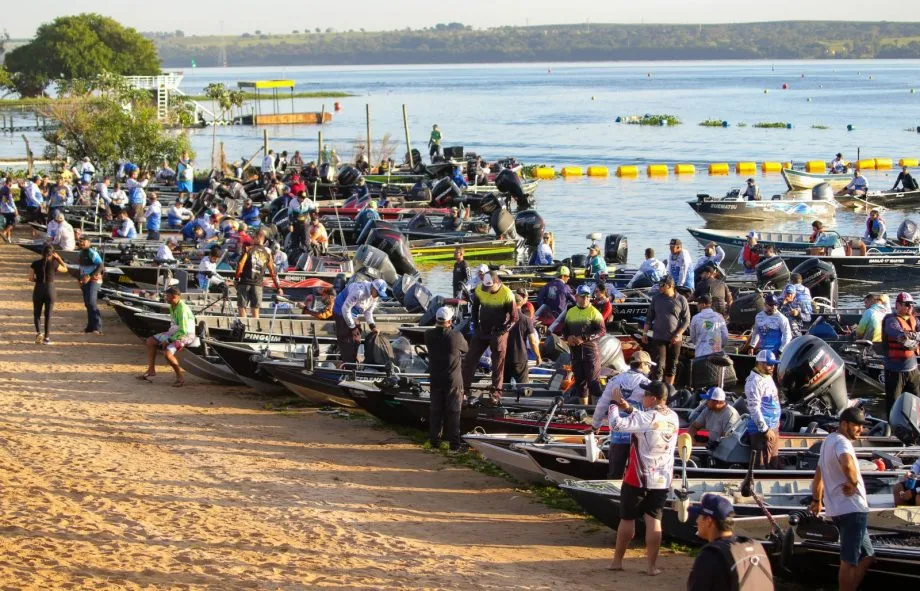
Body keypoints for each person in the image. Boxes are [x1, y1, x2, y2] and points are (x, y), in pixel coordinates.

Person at [607, 380, 680, 576]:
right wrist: (628, 408)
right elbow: (646, 421)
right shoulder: (673, 417)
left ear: (654, 398)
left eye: (645, 395)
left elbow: (615, 425)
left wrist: (613, 404)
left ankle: (617, 561)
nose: (642, 397)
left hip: (637, 477)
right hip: (662, 478)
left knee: (627, 519)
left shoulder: (647, 417)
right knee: (654, 520)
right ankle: (651, 567)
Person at [810, 406, 874, 591]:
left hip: (838, 510)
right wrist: (852, 482)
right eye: (857, 426)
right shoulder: (842, 442)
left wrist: (816, 500)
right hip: (853, 509)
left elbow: (818, 478)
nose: (860, 430)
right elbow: (847, 463)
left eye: (862, 427)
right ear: (844, 424)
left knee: (868, 555)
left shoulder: (827, 441)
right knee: (849, 561)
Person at [687, 493, 774, 591]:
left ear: (708, 521)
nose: (697, 521)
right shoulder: (755, 545)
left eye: (699, 516)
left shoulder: (710, 555)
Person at [592, 350, 654, 478]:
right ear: (642, 364)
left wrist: (595, 425)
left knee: (615, 473)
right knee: (636, 473)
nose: (650, 369)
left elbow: (602, 404)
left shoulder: (615, 380)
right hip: (638, 438)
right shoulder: (648, 385)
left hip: (618, 435)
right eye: (649, 365)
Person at [462, 272, 518, 403]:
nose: (487, 290)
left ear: (497, 283)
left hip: (499, 332)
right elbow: (475, 309)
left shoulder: (507, 294)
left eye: (490, 288)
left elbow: (515, 318)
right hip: (482, 330)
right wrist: (476, 326)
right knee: (470, 359)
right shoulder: (480, 289)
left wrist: (503, 332)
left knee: (497, 364)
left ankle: (495, 394)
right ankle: (464, 389)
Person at [425, 306, 469, 451]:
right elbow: (466, 349)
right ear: (450, 321)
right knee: (454, 412)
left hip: (436, 379)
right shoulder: (456, 336)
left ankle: (434, 443)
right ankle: (454, 446)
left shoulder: (428, 335)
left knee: (436, 411)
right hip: (453, 380)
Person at [138, 287, 195, 387]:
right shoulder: (172, 306)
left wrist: (168, 340)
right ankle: (151, 370)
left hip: (186, 335)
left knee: (167, 353)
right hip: (173, 332)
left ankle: (179, 377)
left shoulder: (182, 310)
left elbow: (183, 331)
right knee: (150, 341)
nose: (165, 298)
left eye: (167, 296)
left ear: (175, 297)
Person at [562, 284, 606, 404]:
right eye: (583, 296)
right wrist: (568, 337)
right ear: (576, 297)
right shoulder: (571, 312)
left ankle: (598, 410)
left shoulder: (594, 312)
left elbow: (602, 331)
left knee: (593, 382)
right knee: (580, 382)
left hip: (590, 351)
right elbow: (565, 329)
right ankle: (584, 410)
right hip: (575, 352)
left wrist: (584, 338)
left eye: (587, 296)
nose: (586, 298)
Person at [644, 275, 690, 385]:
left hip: (675, 339)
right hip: (658, 337)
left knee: (672, 365)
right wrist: (644, 333)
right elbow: (649, 317)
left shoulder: (681, 299)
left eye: (662, 285)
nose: (659, 287)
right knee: (659, 365)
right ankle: (657, 388)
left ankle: (669, 390)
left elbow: (686, 319)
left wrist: (679, 334)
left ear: (670, 286)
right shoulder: (656, 298)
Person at [332, 279, 388, 366]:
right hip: (341, 311)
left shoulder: (374, 297)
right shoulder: (359, 292)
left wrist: (372, 326)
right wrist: (352, 328)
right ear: (373, 288)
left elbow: (368, 312)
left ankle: (352, 360)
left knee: (357, 338)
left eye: (380, 295)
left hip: (353, 314)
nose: (378, 296)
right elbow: (345, 309)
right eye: (377, 293)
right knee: (348, 339)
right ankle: (348, 365)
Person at [881, 292, 920, 414]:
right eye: (907, 304)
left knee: (916, 402)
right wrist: (909, 336)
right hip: (895, 370)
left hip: (912, 369)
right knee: (894, 403)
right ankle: (893, 430)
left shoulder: (914, 320)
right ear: (897, 305)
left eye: (911, 305)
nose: (910, 307)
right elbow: (898, 335)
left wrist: (914, 336)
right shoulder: (891, 320)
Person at [233, 229, 282, 318]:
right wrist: (278, 287)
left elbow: (240, 264)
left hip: (245, 283)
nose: (252, 239)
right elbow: (273, 272)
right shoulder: (268, 254)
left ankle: (244, 328)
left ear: (259, 237)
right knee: (255, 310)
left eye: (254, 237)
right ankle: (254, 329)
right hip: (258, 285)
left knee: (242, 307)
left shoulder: (248, 249)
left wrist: (236, 279)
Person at [746, 350, 782, 469]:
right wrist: (765, 430)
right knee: (763, 464)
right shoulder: (754, 382)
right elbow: (754, 408)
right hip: (762, 430)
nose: (772, 367)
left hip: (773, 426)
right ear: (760, 364)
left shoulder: (767, 376)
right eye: (769, 364)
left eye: (773, 364)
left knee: (774, 462)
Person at [29, 244, 67, 344]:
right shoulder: (55, 264)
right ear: (53, 253)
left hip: (39, 288)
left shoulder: (35, 263)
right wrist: (59, 258)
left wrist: (38, 280)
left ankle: (38, 334)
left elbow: (30, 278)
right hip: (50, 289)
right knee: (48, 315)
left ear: (42, 253)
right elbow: (65, 269)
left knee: (37, 313)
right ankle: (47, 338)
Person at [505, 289, 542, 385]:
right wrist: (538, 356)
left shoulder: (502, 318)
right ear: (521, 304)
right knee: (523, 387)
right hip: (520, 357)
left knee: (503, 387)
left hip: (504, 356)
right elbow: (533, 342)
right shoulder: (526, 320)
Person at [77, 236, 104, 335]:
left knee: (92, 303)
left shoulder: (92, 253)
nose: (82, 243)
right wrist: (79, 279)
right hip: (84, 280)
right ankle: (90, 327)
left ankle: (98, 327)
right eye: (80, 242)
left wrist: (90, 276)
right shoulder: (80, 253)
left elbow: (101, 265)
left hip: (93, 280)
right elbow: (80, 268)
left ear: (89, 243)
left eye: (84, 242)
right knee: (87, 303)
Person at [1, 177, 16, 243]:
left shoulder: (2, 189)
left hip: (3, 209)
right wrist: (15, 208)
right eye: (12, 182)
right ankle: (4, 233)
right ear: (9, 182)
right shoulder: (8, 189)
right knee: (14, 223)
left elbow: (2, 200)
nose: (12, 183)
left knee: (8, 224)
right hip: (9, 210)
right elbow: (11, 201)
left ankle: (8, 239)